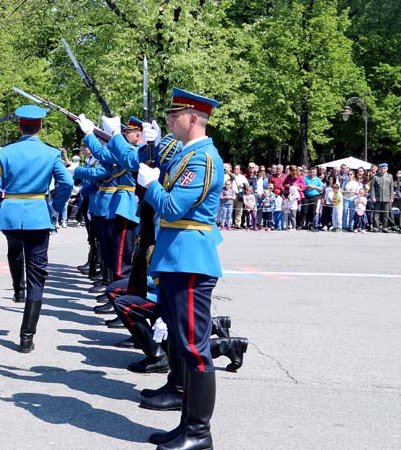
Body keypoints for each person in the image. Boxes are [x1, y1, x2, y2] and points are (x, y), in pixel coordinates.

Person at [135, 87, 224, 450]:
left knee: (193, 347)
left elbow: (172, 208)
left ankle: (199, 433)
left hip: (189, 261)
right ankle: (187, 425)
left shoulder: (203, 159)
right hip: (177, 259)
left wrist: (151, 185)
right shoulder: (188, 154)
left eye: (175, 115)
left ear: (192, 119)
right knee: (184, 344)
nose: (169, 120)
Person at [0, 105, 73, 353]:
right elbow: (66, 183)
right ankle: (26, 336)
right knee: (38, 275)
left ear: (20, 126)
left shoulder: (4, 152)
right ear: (40, 127)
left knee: (14, 248)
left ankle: (17, 289)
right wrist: (55, 207)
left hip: (10, 212)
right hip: (37, 214)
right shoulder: (51, 153)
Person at [370, 163, 394, 232]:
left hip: (387, 198)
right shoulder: (376, 176)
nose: (383, 169)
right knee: (376, 213)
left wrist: (392, 197)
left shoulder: (390, 176)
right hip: (377, 198)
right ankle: (376, 227)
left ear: (387, 168)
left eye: (385, 168)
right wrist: (373, 197)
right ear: (379, 169)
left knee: (385, 214)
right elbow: (372, 188)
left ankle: (385, 227)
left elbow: (391, 187)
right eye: (382, 168)